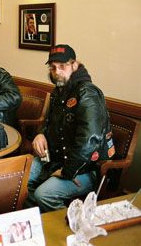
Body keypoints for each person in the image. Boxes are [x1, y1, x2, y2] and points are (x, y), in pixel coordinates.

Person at [24, 44, 114, 212]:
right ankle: (38, 223)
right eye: (53, 67)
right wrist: (41, 135)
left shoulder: (88, 93)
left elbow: (90, 140)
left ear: (75, 65)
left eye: (62, 66)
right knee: (19, 181)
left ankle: (70, 225)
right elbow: (50, 123)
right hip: (54, 159)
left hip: (85, 168)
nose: (57, 71)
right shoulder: (60, 91)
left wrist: (67, 171)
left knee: (44, 195)